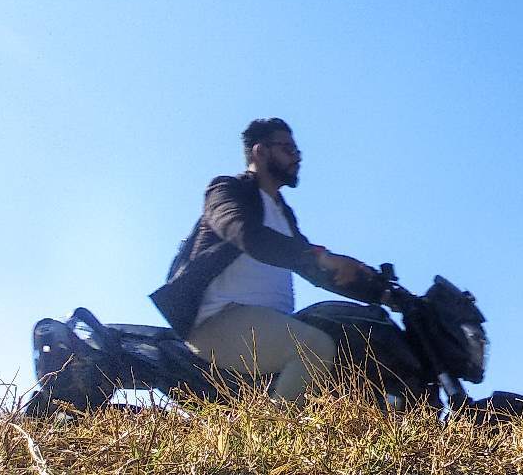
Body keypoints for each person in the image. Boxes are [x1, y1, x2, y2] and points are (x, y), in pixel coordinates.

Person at [151, 117, 376, 401]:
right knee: (314, 348)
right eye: (288, 149)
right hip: (219, 319)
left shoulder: (283, 212)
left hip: (268, 323)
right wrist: (322, 257)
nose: (297, 158)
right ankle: (275, 428)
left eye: (297, 151)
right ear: (260, 151)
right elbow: (247, 234)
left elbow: (312, 268)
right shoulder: (228, 189)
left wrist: (375, 288)